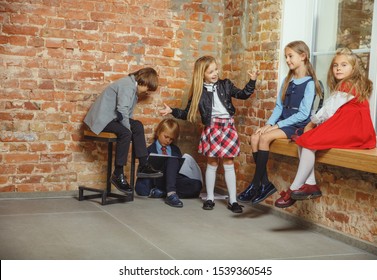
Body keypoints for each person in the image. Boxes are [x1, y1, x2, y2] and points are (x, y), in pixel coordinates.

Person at [274, 48, 376, 208]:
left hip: (351, 129)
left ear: (353, 68)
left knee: (307, 140)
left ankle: (294, 188)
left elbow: (328, 110)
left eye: (344, 65)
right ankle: (310, 184)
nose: (338, 68)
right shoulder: (352, 85)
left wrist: (311, 123)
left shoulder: (347, 85)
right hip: (354, 128)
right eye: (335, 65)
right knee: (305, 140)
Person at [160, 55, 260, 213]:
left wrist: (252, 80)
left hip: (227, 127)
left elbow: (242, 94)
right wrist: (172, 111)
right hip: (212, 128)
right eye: (211, 71)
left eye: (216, 69)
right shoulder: (198, 92)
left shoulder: (225, 84)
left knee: (228, 163)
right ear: (202, 74)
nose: (215, 73)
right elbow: (187, 113)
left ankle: (233, 201)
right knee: (212, 163)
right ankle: (210, 198)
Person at [238, 40, 323, 205]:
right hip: (283, 123)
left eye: (290, 56)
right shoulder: (287, 80)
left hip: (296, 125)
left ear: (303, 56)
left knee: (264, 139)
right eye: (286, 57)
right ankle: (264, 184)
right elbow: (278, 107)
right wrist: (268, 125)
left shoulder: (310, 83)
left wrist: (277, 126)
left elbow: (304, 114)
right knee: (256, 136)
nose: (288, 60)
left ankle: (256, 184)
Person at [84, 67, 163, 195]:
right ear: (144, 82)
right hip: (101, 120)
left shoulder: (132, 86)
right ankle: (118, 173)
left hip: (112, 118)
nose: (147, 92)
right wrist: (128, 129)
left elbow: (126, 114)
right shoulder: (128, 85)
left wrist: (131, 126)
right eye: (148, 88)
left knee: (137, 126)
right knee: (126, 132)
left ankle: (143, 164)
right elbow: (122, 111)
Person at [135, 118, 203, 207]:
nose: (168, 141)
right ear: (159, 132)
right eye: (166, 137)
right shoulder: (148, 151)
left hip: (173, 181)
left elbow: (178, 169)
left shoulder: (175, 150)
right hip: (157, 180)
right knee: (171, 159)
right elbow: (142, 173)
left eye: (171, 139)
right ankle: (170, 194)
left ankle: (163, 193)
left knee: (197, 185)